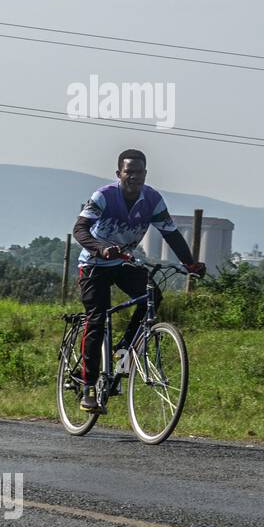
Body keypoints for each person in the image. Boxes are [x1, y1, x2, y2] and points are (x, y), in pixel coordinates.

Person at [73, 149, 205, 411]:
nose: (133, 177)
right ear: (119, 174)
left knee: (152, 296)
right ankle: (87, 387)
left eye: (139, 172)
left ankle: (123, 351)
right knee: (97, 318)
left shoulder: (152, 200)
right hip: (94, 264)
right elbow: (80, 229)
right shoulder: (104, 196)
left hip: (123, 262)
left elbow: (171, 234)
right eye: (128, 172)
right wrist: (100, 247)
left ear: (145, 174)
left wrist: (190, 262)